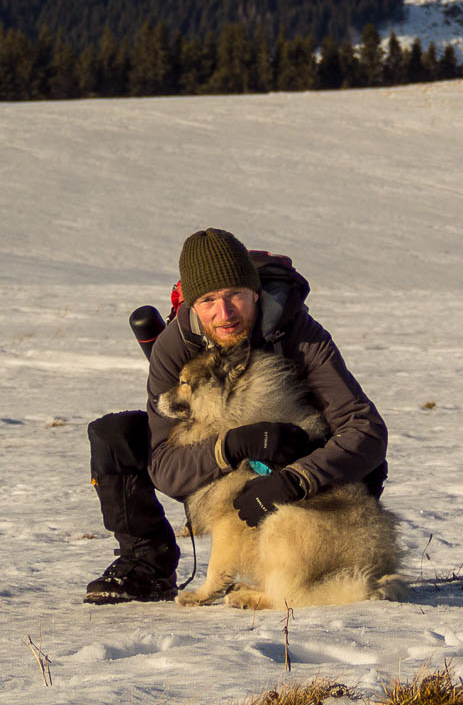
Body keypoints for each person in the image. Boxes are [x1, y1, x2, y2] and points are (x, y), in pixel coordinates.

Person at [83, 227, 389, 604]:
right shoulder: (174, 345)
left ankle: (313, 569)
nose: (224, 313)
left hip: (308, 487)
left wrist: (299, 479)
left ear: (255, 293)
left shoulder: (301, 334)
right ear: (191, 305)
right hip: (218, 464)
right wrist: (228, 447)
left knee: (366, 462)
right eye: (209, 300)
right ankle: (146, 562)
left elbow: (365, 428)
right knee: (117, 436)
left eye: (235, 296)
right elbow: (163, 466)